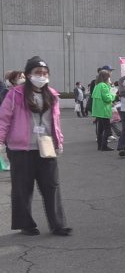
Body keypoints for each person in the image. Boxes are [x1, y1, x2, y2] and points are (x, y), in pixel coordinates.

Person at [0, 56, 72, 236]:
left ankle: (58, 224)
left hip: (46, 148)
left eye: (45, 73)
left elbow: (55, 122)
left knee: (52, 186)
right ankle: (26, 224)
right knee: (22, 188)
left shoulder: (52, 95)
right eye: (37, 73)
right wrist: (0, 142)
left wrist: (59, 142)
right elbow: (3, 119)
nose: (42, 76)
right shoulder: (15, 94)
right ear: (28, 74)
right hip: (21, 150)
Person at [91, 69, 115, 152]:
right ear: (106, 77)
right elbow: (107, 98)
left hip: (98, 111)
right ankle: (104, 145)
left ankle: (100, 145)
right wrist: (113, 94)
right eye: (108, 77)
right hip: (104, 110)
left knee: (100, 130)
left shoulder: (97, 85)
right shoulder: (104, 86)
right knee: (107, 129)